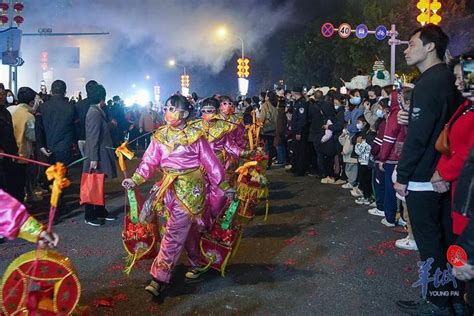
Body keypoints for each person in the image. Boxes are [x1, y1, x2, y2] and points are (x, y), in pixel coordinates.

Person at [121, 95, 233, 298]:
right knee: (187, 229)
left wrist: (223, 185)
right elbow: (148, 162)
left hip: (190, 191)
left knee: (173, 232)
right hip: (167, 189)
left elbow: (211, 163)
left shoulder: (195, 136)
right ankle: (197, 262)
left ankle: (159, 277)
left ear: (185, 114)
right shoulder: (160, 135)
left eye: (173, 108)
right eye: (167, 107)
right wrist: (135, 180)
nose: (168, 112)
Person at [394, 24, 463, 315]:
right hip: (447, 175)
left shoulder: (427, 84)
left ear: (430, 46)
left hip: (424, 176)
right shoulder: (451, 80)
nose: (406, 50)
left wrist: (403, 174)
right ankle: (454, 299)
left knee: (429, 242)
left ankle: (437, 302)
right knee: (447, 240)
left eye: (410, 44)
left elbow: (419, 138)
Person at [432, 57, 474, 236]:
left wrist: (443, 174)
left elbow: (468, 153)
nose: (457, 83)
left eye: (460, 77)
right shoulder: (466, 106)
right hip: (460, 188)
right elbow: (451, 145)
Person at [82, 84, 118, 226]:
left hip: (99, 153)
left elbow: (100, 131)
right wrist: (94, 158)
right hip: (95, 155)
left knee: (99, 183)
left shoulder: (97, 111)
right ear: (101, 98)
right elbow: (93, 137)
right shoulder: (94, 113)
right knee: (92, 185)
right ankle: (89, 214)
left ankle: (100, 210)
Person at [7, 87, 39, 203]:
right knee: (21, 184)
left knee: (10, 184)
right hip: (22, 155)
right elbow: (33, 137)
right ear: (31, 102)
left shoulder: (9, 110)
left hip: (7, 154)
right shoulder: (29, 117)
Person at [35, 80, 77, 165]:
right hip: (65, 148)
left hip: (48, 147)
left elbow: (38, 128)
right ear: (65, 93)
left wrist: (41, 146)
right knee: (62, 174)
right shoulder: (71, 107)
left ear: (51, 92)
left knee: (51, 174)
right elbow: (75, 127)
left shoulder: (42, 107)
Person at [0, 90, 19, 199]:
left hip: (9, 153)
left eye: (2, 94)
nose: (2, 97)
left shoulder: (6, 112)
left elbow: (10, 133)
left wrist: (14, 150)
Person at [75, 80, 98, 157]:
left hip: (82, 138)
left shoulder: (78, 104)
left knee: (86, 163)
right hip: (96, 139)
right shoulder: (100, 105)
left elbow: (75, 122)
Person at [290, 86, 309, 176]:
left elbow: (302, 119)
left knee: (300, 150)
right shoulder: (297, 102)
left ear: (295, 92)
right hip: (295, 130)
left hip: (299, 131)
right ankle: (295, 167)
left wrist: (299, 132)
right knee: (295, 149)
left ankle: (300, 169)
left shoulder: (302, 103)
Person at [259, 91, 278, 168]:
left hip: (265, 129)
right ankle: (269, 163)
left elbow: (262, 118)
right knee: (271, 147)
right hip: (273, 128)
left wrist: (258, 124)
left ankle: (264, 163)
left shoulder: (265, 105)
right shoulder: (276, 105)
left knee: (264, 147)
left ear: (268, 97)